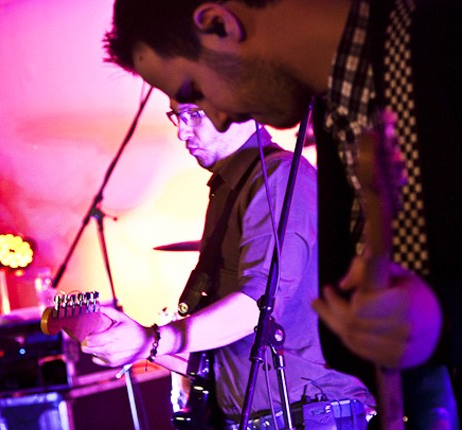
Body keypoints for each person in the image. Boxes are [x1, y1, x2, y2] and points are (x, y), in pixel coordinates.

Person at [101, 0, 462, 429]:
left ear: (219, 23)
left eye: (193, 93)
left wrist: (448, 315)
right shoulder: (334, 106)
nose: (216, 118)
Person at [81, 100, 377, 429]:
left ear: (236, 105)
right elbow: (222, 359)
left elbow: (255, 308)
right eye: (177, 116)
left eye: (193, 114)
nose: (182, 132)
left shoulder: (276, 177)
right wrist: (138, 345)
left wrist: (153, 340)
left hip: (310, 416)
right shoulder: (229, 188)